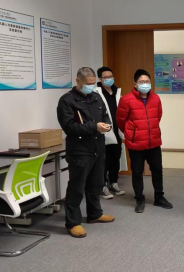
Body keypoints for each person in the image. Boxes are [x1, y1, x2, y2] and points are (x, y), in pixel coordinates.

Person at [57, 67, 115, 238]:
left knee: (96, 184)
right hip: (80, 150)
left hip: (98, 148)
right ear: (78, 81)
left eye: (93, 83)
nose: (91, 86)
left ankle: (95, 214)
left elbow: (105, 115)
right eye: (88, 83)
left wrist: (106, 125)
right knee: (77, 187)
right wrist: (94, 127)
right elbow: (69, 127)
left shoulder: (97, 97)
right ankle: (73, 222)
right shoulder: (67, 100)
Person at [116, 69, 173, 213]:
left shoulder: (156, 98)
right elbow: (120, 121)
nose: (145, 84)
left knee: (157, 170)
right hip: (136, 143)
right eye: (141, 82)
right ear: (135, 84)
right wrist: (132, 133)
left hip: (153, 141)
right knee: (137, 172)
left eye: (147, 81)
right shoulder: (126, 100)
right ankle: (139, 198)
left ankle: (159, 197)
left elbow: (158, 116)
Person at [95, 66, 125, 199]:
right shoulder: (96, 93)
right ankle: (102, 186)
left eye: (111, 76)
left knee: (116, 157)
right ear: (100, 79)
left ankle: (114, 183)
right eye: (106, 77)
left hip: (117, 130)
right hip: (104, 131)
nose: (109, 79)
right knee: (104, 160)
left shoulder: (117, 92)